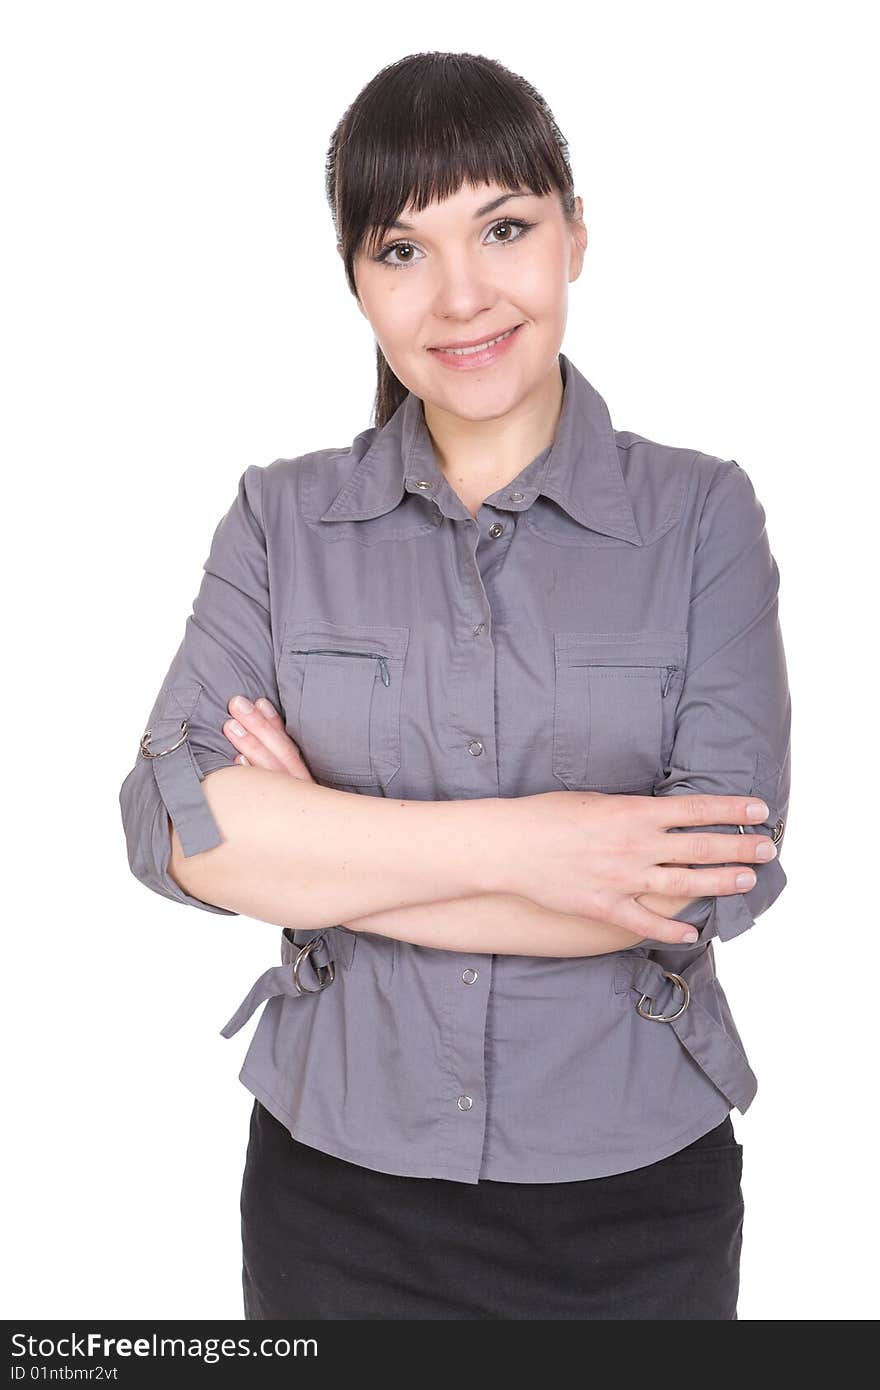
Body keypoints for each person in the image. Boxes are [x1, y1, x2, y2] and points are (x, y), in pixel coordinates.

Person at [118, 50, 791, 1320]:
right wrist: (544, 849)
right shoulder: (280, 521)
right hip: (336, 1194)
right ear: (355, 281)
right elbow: (172, 829)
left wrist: (326, 847)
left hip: (637, 1198)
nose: (461, 295)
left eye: (504, 227)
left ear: (575, 236)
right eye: (401, 249)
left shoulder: (702, 516)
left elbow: (707, 875)